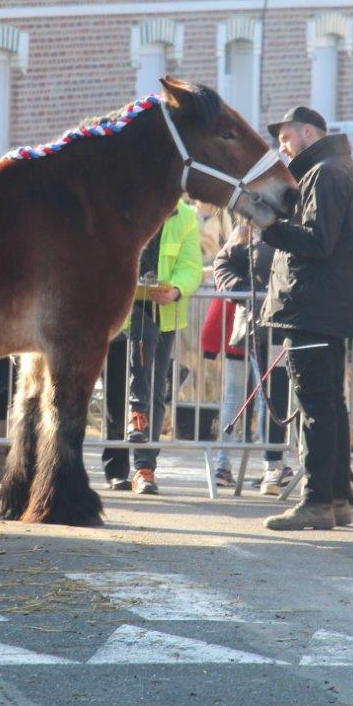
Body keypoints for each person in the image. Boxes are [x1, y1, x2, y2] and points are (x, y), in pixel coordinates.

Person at [259, 106, 353, 530]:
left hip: (312, 305)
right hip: (327, 306)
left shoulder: (323, 172)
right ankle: (336, 498)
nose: (282, 147)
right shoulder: (344, 168)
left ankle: (318, 501)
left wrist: (269, 226)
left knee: (316, 407)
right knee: (330, 405)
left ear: (308, 132)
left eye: (286, 138)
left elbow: (319, 242)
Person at [125, 200, 203, 495]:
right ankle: (136, 414)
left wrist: (177, 290)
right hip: (127, 309)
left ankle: (145, 468)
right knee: (141, 376)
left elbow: (191, 266)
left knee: (157, 387)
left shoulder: (185, 218)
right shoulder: (132, 204)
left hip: (165, 311)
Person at [210, 224, 293, 492]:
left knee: (271, 397)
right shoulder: (250, 230)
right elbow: (221, 262)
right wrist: (246, 292)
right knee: (243, 397)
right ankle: (227, 464)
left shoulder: (296, 225)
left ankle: (273, 465)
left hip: (284, 328)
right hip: (254, 326)